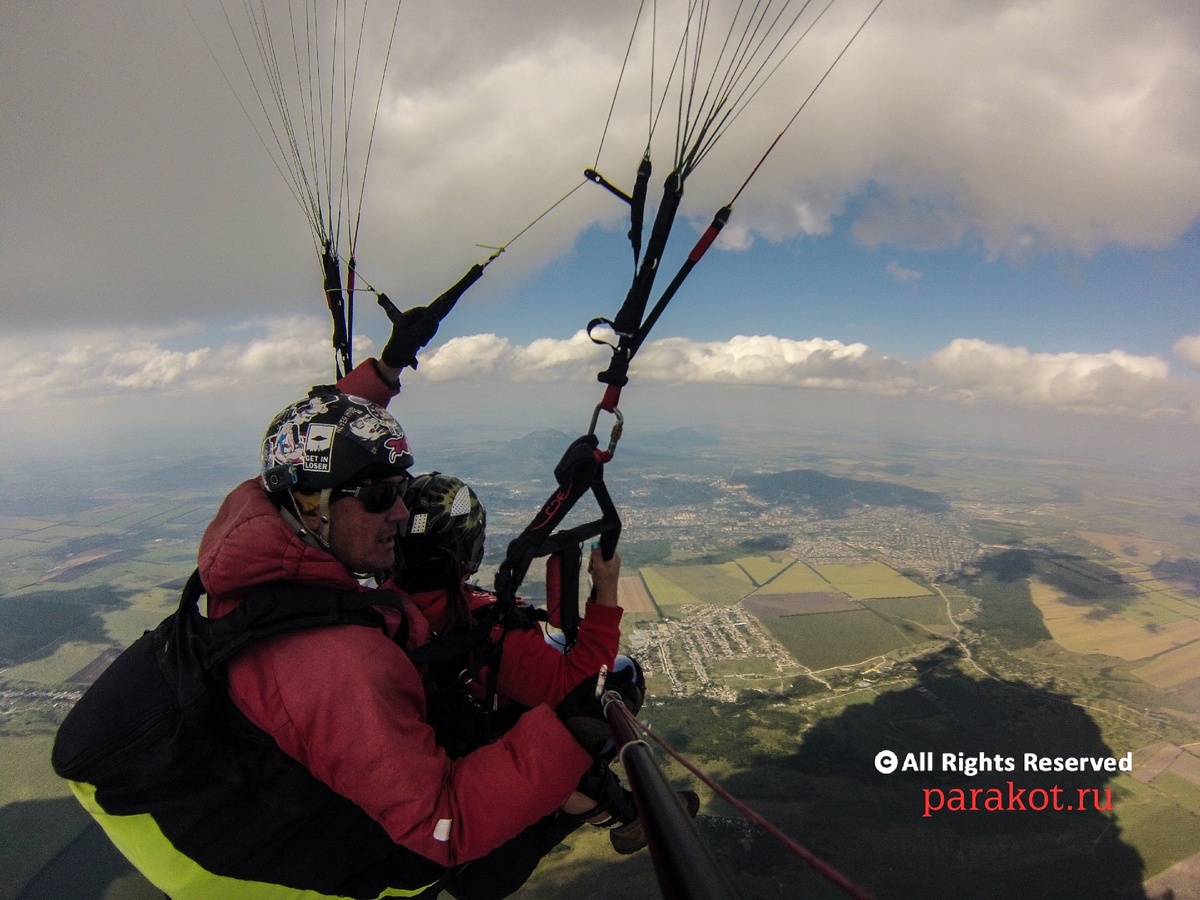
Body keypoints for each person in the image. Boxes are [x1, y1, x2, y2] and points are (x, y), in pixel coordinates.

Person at [54, 310, 643, 899]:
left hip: (228, 766)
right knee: (460, 855)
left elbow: (302, 447)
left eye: (403, 493)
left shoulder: (257, 531)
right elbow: (445, 825)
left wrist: (383, 372)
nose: (400, 515)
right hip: (265, 872)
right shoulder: (340, 664)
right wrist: (569, 735)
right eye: (383, 496)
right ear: (314, 506)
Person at [391, 472, 688, 855]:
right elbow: (584, 685)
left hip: (452, 728)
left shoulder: (392, 605)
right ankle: (622, 814)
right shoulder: (482, 633)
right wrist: (607, 589)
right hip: (484, 743)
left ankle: (623, 813)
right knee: (620, 677)